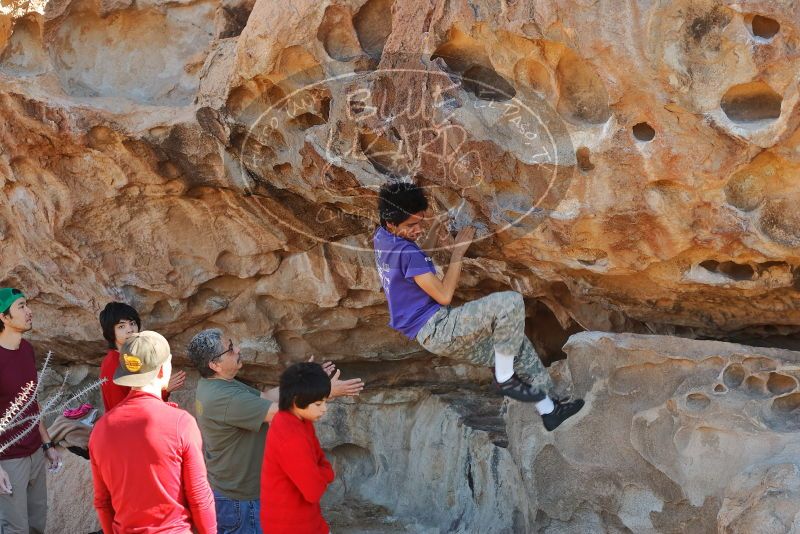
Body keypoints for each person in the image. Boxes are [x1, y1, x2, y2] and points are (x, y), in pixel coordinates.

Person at [373, 182, 584, 431]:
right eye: (411, 225)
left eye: (421, 221)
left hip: (430, 335)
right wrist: (456, 255)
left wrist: (433, 239)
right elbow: (443, 295)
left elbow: (412, 260)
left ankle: (550, 411)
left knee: (517, 346)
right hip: (439, 326)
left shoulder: (382, 239)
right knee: (510, 302)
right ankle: (504, 377)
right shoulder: (408, 253)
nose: (419, 229)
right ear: (391, 223)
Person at [186, 329, 362, 534]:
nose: (238, 349)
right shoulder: (223, 398)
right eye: (230, 349)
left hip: (239, 494)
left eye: (232, 343)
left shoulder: (220, 384)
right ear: (214, 365)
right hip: (241, 503)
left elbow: (267, 397)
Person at [89, 331, 216, 533]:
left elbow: (103, 502)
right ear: (161, 370)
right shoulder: (181, 423)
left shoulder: (100, 430)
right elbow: (199, 495)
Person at [0, 288, 61, 534]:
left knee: (37, 523)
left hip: (35, 451)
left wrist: (47, 444)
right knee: (16, 529)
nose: (29, 311)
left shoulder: (27, 350)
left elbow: (31, 402)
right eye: (21, 306)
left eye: (27, 305)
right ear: (3, 317)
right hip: (9, 459)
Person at [260, 362, 334, 534]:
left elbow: (321, 461)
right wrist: (324, 473)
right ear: (295, 401)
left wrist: (318, 472)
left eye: (325, 402)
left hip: (304, 520)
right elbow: (314, 491)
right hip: (291, 526)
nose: (324, 409)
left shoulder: (298, 420)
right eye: (318, 404)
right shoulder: (290, 437)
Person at [98, 302, 185, 411]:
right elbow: (123, 411)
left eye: (132, 323)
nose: (130, 330)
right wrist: (163, 389)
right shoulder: (112, 365)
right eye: (121, 326)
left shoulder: (135, 354)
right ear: (111, 332)